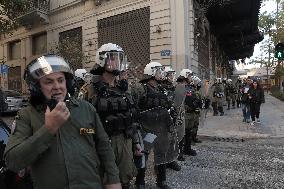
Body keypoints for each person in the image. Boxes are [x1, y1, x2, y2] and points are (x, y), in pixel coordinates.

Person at [4, 54, 121, 189]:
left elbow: (104, 147)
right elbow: (13, 161)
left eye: (60, 80)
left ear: (68, 82)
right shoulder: (27, 115)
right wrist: (48, 129)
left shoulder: (86, 109)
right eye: (49, 82)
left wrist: (113, 180)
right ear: (37, 87)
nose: (57, 86)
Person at [80, 43, 141, 189]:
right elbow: (80, 126)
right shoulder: (89, 90)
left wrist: (136, 142)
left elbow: (130, 118)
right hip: (101, 146)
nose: (117, 62)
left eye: (119, 58)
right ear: (102, 60)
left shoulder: (125, 90)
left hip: (124, 143)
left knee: (125, 180)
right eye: (113, 58)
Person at [132, 61, 176, 189]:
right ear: (151, 73)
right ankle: (140, 182)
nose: (161, 74)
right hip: (147, 130)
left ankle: (161, 180)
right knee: (144, 154)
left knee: (161, 153)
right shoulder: (140, 89)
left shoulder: (161, 89)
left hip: (160, 128)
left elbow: (167, 105)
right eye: (158, 71)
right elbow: (133, 108)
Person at [161, 67, 181, 171]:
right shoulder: (160, 88)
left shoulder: (173, 88)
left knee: (172, 139)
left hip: (172, 117)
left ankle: (171, 160)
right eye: (170, 75)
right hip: (163, 118)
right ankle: (162, 162)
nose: (172, 77)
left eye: (172, 75)